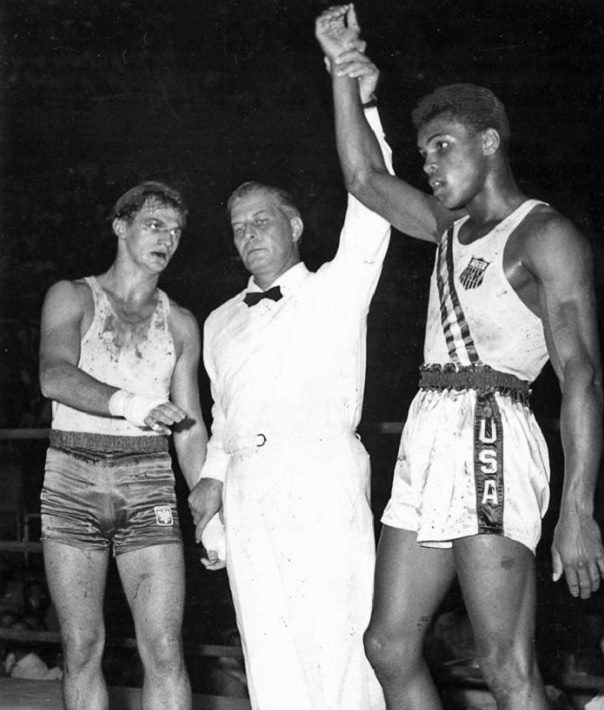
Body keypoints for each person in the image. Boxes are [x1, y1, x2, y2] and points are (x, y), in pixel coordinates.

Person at [316, 5, 604, 710]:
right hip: (429, 430)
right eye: (424, 154)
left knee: (505, 666)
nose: (430, 164)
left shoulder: (544, 235)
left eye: (443, 146)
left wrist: (578, 507)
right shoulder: (448, 229)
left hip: (493, 430)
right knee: (388, 646)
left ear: (489, 141)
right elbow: (363, 179)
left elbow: (582, 376)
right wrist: (341, 75)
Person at [187, 67, 393, 710]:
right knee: (267, 649)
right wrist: (215, 491)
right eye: (239, 227)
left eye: (261, 221)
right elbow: (223, 417)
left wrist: (364, 102)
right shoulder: (220, 320)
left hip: (322, 474)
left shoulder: (338, 286)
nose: (250, 236)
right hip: (249, 488)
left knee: (339, 642)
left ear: (296, 225)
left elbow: (373, 201)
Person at [38, 181, 208, 710]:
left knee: (163, 647)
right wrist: (132, 404)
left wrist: (208, 506)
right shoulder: (72, 295)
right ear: (121, 226)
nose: (168, 239)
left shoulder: (180, 322)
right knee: (83, 646)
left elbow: (190, 426)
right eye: (155, 225)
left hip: (148, 479)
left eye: (176, 231)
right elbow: (54, 375)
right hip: (72, 473)